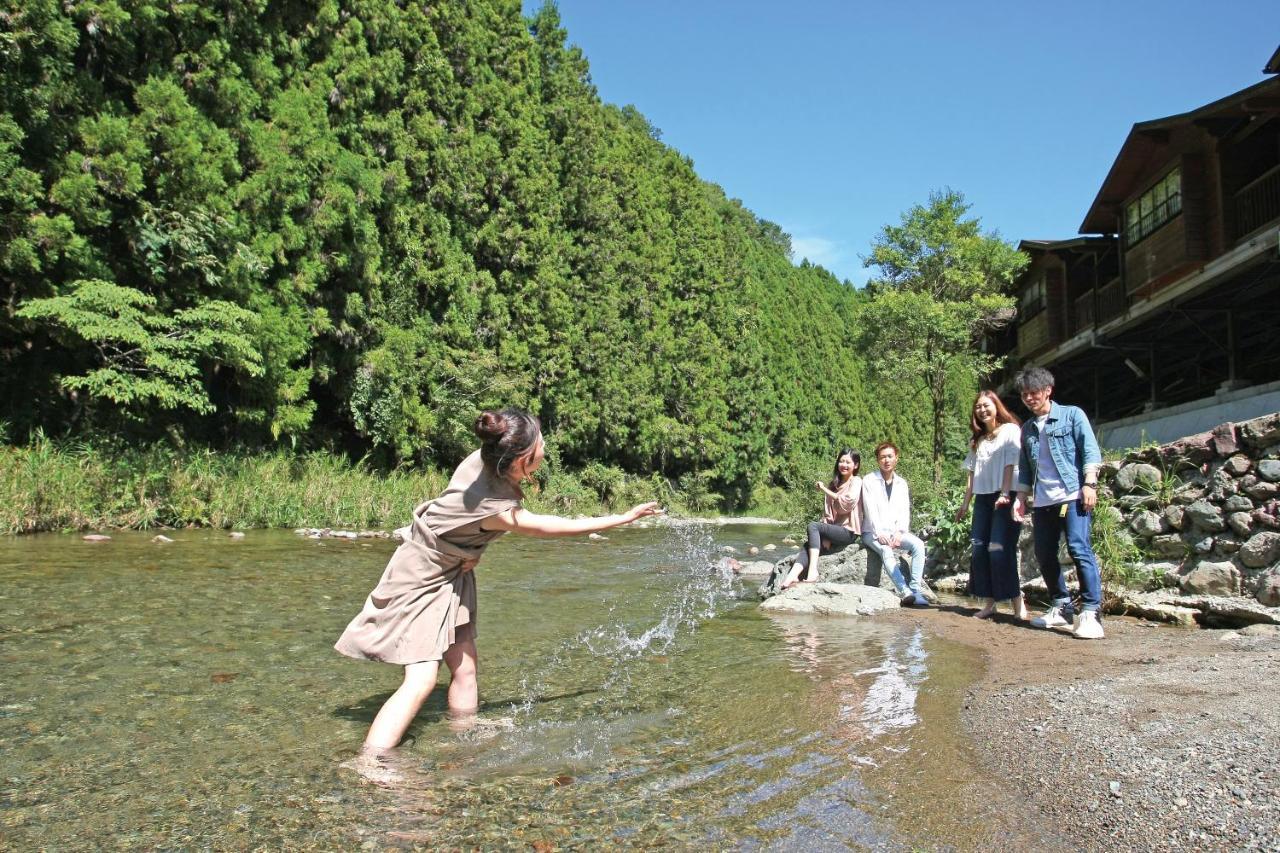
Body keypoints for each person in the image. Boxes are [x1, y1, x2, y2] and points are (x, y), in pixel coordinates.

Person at [335, 408, 662, 753]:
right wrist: (620, 519)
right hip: (420, 578)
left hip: (450, 570)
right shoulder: (496, 505)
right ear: (518, 458)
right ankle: (372, 763)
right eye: (539, 445)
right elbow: (547, 526)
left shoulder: (484, 457)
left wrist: (465, 552)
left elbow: (457, 523)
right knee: (421, 679)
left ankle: (464, 737)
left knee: (466, 668)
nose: (545, 448)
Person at [1010, 367, 1105, 640]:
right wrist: (1020, 498)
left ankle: (1091, 612)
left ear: (1048, 390)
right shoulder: (1027, 428)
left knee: (1078, 549)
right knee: (1045, 554)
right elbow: (1026, 468)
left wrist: (1090, 484)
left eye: (1034, 393)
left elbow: (1089, 449)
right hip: (1043, 502)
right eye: (1025, 394)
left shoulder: (1072, 415)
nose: (1029, 398)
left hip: (1073, 495)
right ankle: (1061, 606)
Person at [954, 390, 1029, 620]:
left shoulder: (1010, 430)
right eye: (978, 407)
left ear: (997, 406)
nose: (982, 410)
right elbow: (971, 474)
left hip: (1005, 495)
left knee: (998, 549)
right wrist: (965, 504)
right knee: (978, 548)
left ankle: (1017, 601)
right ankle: (989, 603)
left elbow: (1010, 463)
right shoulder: (977, 440)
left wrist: (1006, 493)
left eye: (986, 405)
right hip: (983, 498)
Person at [779, 449, 863, 590]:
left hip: (849, 532)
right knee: (809, 544)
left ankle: (812, 571)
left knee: (813, 526)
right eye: (841, 461)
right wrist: (825, 535)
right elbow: (828, 514)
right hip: (835, 530)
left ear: (855, 465)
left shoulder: (857, 481)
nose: (844, 464)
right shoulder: (834, 485)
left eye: (848, 462)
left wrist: (824, 489)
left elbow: (847, 504)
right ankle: (792, 575)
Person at [860, 442, 929, 607]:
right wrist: (879, 534)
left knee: (918, 545)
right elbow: (870, 510)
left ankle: (915, 589)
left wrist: (899, 532)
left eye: (890, 456)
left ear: (896, 458)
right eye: (882, 457)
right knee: (885, 549)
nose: (886, 460)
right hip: (871, 532)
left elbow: (905, 511)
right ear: (877, 460)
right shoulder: (869, 480)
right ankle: (904, 591)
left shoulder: (902, 483)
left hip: (894, 531)